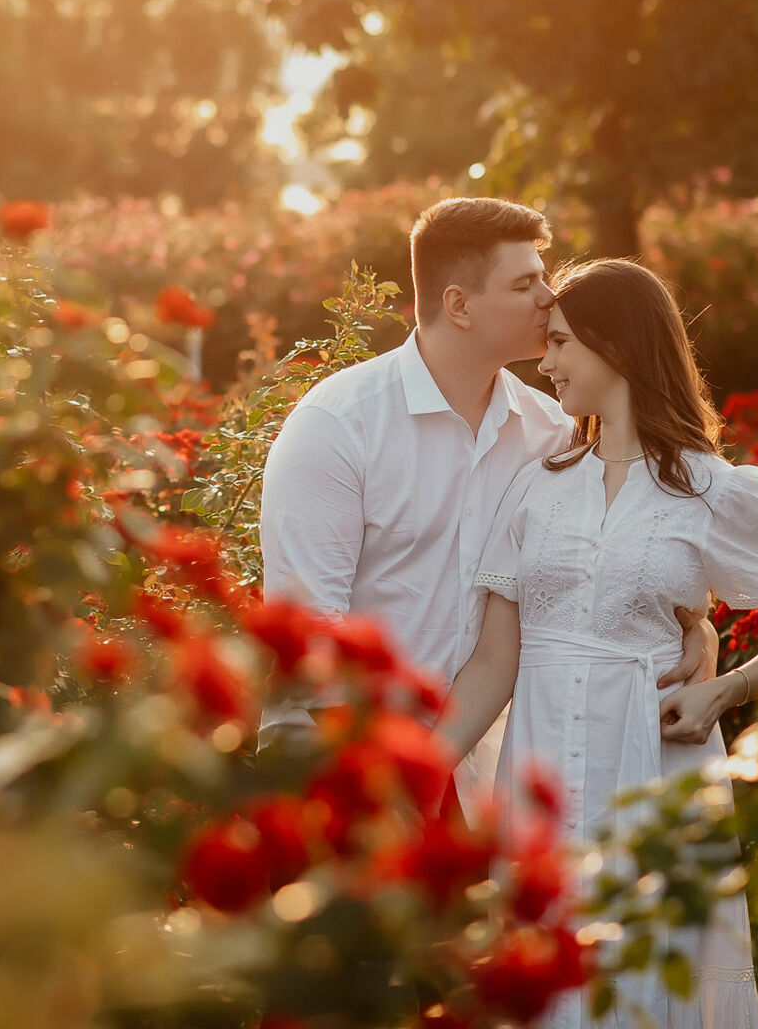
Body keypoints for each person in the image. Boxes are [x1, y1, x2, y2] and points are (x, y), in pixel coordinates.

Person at [435, 258, 758, 1029]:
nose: (544, 363)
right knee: (545, 979)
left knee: (648, 981)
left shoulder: (717, 489)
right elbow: (494, 662)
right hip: (540, 774)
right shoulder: (537, 484)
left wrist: (723, 687)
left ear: (614, 344)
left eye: (558, 343)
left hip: (655, 770)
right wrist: (413, 771)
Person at [259, 200, 716, 801]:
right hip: (335, 763)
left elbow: (614, 564)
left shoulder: (551, 433)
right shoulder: (339, 426)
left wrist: (697, 631)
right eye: (525, 283)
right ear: (458, 305)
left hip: (477, 768)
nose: (549, 298)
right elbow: (310, 633)